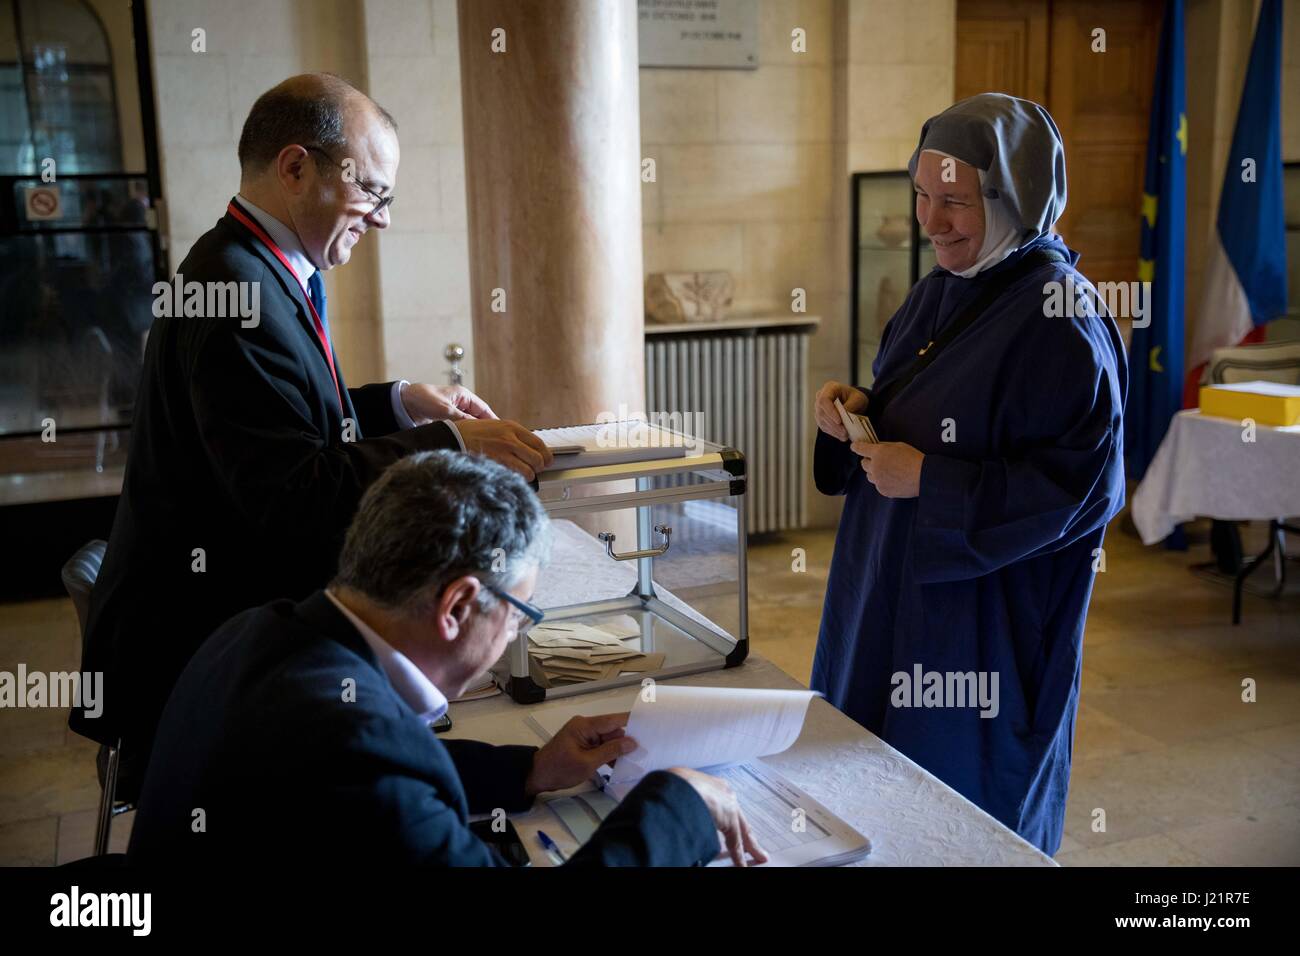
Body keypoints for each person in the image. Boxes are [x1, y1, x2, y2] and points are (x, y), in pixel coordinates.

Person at [71, 73, 553, 796]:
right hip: (202, 649)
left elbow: (281, 420)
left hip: (208, 615)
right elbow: (294, 495)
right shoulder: (237, 292)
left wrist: (396, 403)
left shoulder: (253, 263)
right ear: (296, 167)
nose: (382, 219)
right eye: (374, 192)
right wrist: (454, 446)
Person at [127, 451, 767, 867]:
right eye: (520, 613)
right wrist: (676, 805)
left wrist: (532, 769)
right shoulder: (355, 750)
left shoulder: (256, 632)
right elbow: (374, 773)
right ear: (458, 605)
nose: (517, 632)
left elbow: (398, 775)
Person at [811, 94, 1127, 855]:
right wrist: (860, 408)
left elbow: (1083, 490)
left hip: (980, 622)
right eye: (921, 195)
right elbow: (920, 406)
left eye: (954, 201)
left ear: (1012, 197)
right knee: (866, 774)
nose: (930, 221)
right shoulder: (939, 289)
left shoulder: (1060, 316)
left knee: (956, 803)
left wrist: (933, 482)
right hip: (887, 583)